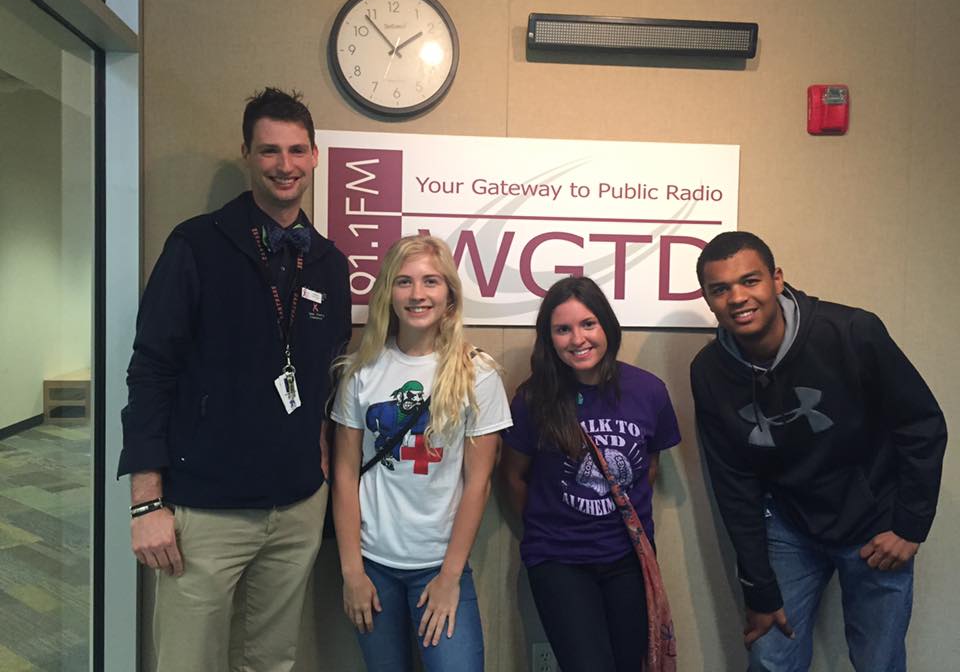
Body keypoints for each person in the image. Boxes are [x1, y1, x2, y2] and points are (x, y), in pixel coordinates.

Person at [117, 88, 351, 671]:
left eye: (297, 150)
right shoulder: (196, 245)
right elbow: (150, 371)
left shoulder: (328, 261)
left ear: (316, 156)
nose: (285, 165)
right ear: (247, 153)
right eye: (270, 150)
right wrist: (146, 505)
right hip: (205, 511)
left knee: (271, 663)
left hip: (297, 508)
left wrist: (318, 450)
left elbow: (326, 374)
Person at [690, 231, 947, 672]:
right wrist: (759, 586)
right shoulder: (710, 371)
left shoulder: (851, 332)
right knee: (771, 658)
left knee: (879, 663)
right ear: (708, 299)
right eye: (720, 289)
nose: (737, 297)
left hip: (873, 524)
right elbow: (733, 483)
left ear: (777, 279)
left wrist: (910, 525)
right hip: (789, 527)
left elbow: (921, 423)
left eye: (750, 280)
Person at [330, 235, 511, 672]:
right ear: (388, 293)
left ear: (449, 294)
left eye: (431, 281)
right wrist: (351, 571)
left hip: (439, 564)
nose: (417, 294)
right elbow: (344, 474)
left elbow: (478, 483)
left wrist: (450, 576)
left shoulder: (477, 373)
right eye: (404, 282)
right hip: (374, 564)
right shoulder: (360, 371)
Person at [500, 276, 681, 672]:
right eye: (562, 329)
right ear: (549, 338)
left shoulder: (648, 391)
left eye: (588, 324)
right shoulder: (533, 399)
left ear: (607, 326)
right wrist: (545, 527)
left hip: (628, 559)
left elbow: (649, 466)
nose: (577, 339)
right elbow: (513, 476)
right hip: (559, 560)